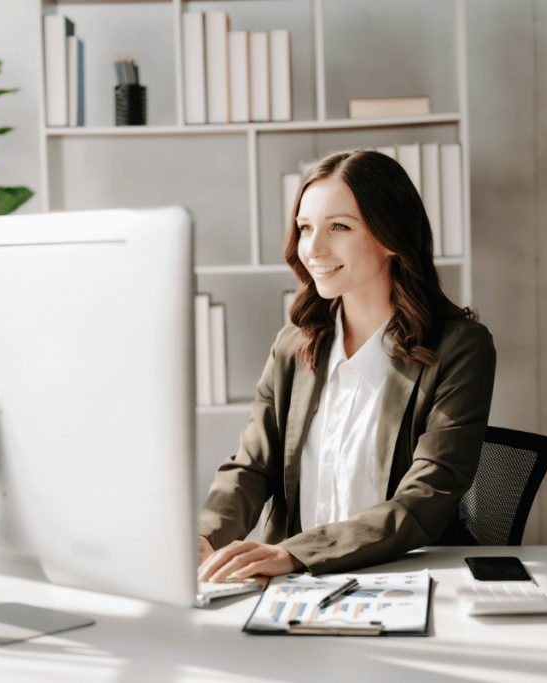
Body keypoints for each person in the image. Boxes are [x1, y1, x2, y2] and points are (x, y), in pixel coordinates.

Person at [197, 149, 496, 583]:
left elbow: (425, 498)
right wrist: (205, 537)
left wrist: (297, 554)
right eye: (305, 228)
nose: (313, 249)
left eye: (338, 227)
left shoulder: (459, 349)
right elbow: (251, 467)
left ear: (390, 236)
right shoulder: (293, 347)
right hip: (293, 587)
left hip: (405, 578)